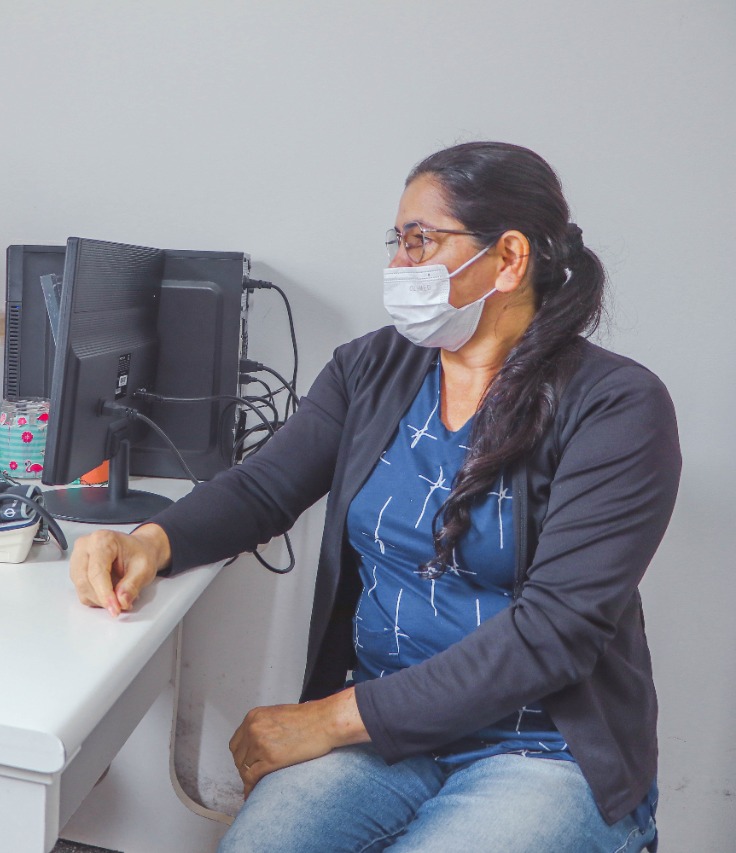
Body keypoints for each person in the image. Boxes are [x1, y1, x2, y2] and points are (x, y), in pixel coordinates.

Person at [67, 142, 680, 852]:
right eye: (397, 242)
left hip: (542, 746)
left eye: (420, 241)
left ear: (509, 259)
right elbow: (265, 486)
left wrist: (328, 720)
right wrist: (151, 539)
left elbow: (552, 633)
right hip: (386, 737)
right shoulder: (372, 368)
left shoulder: (618, 407)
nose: (399, 266)